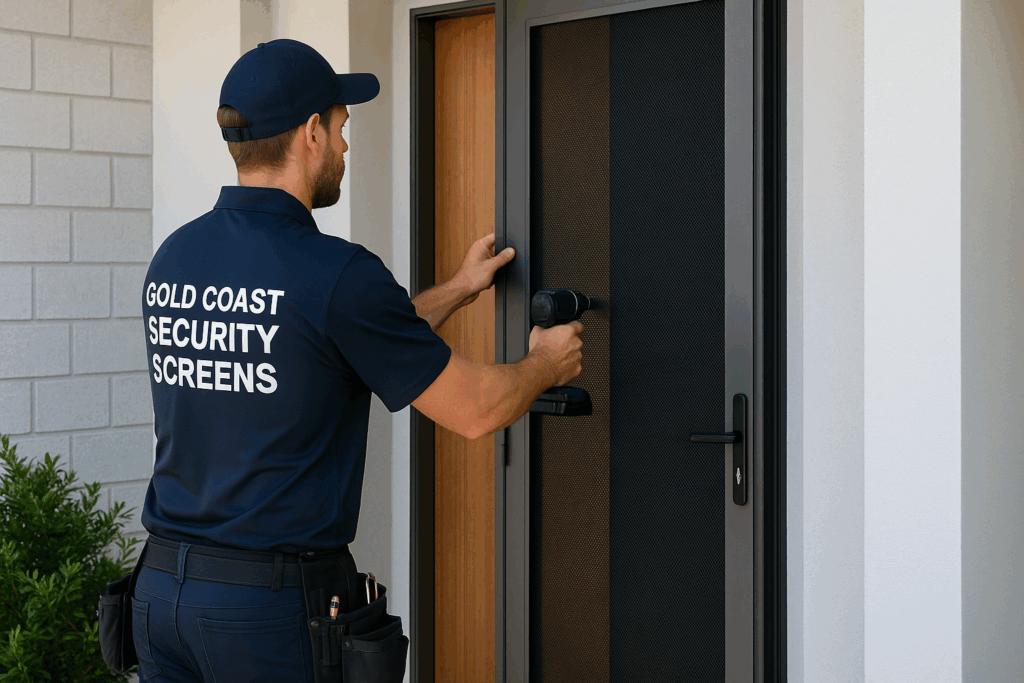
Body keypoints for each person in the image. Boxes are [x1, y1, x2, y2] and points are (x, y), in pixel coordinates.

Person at [132, 39, 583, 682]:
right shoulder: (336, 275)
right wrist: (545, 362)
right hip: (262, 617)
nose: (346, 147)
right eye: (344, 127)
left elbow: (326, 346)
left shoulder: (175, 258)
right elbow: (477, 410)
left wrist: (459, 287)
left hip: (162, 599)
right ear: (311, 133)